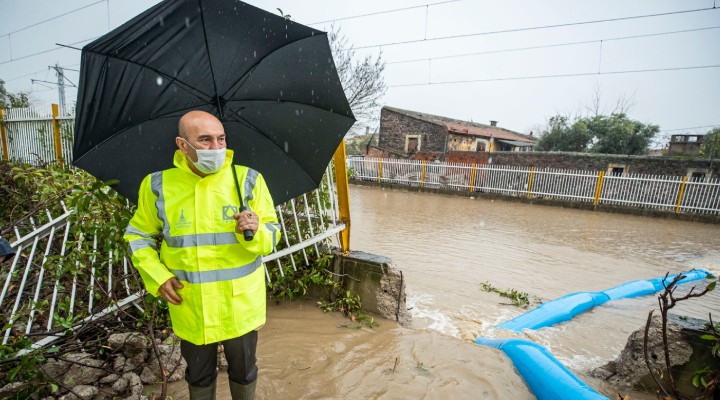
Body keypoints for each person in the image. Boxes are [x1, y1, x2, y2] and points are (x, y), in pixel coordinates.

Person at [124, 110, 280, 400]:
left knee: (245, 371)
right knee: (198, 374)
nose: (216, 148)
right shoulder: (158, 186)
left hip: (240, 305)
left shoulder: (248, 181)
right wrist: (157, 276)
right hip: (191, 304)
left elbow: (271, 238)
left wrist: (255, 230)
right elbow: (137, 236)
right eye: (205, 140)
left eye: (221, 139)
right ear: (182, 145)